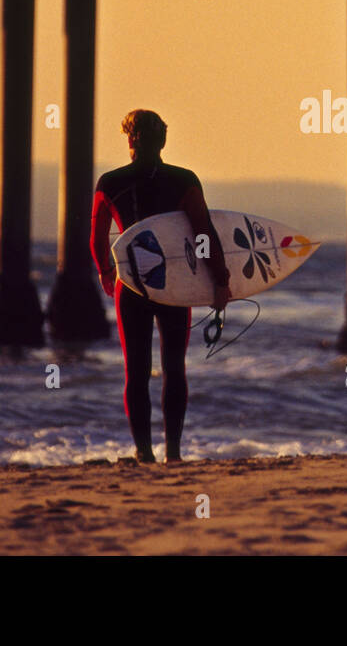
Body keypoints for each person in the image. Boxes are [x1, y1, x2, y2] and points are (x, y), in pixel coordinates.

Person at [90, 110, 231, 463]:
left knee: (136, 370)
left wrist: (106, 272)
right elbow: (204, 234)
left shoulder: (110, 182)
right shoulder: (184, 180)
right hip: (175, 286)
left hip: (132, 287)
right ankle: (174, 453)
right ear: (163, 141)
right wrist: (221, 281)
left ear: (130, 140)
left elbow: (96, 239)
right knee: (173, 366)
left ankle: (143, 451)